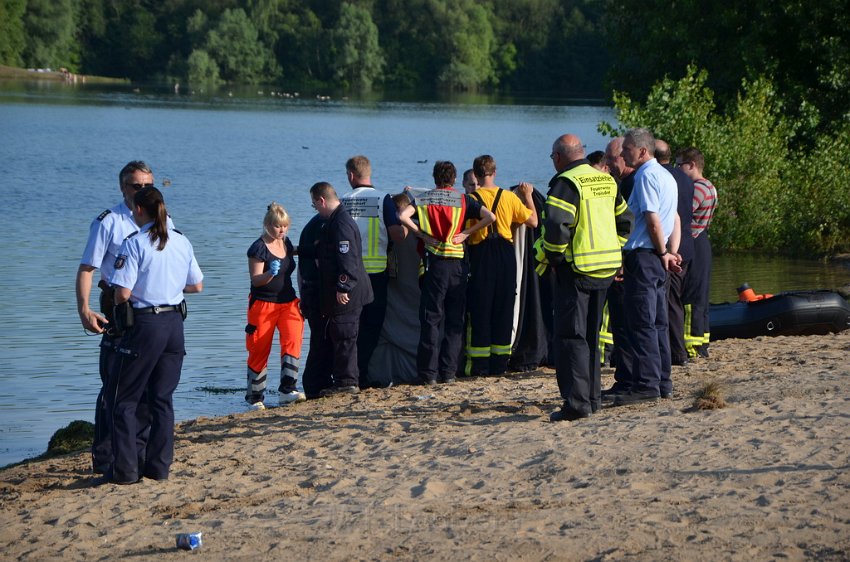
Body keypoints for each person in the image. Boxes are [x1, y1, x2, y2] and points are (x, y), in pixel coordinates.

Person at [107, 186, 203, 483]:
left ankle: (125, 472)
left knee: (122, 399)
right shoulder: (181, 241)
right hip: (174, 324)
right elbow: (197, 285)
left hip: (146, 324)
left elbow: (122, 293)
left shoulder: (134, 243)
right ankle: (159, 468)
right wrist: (169, 286)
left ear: (138, 210)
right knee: (162, 399)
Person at [535, 135, 633, 422]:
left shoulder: (566, 183)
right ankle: (592, 398)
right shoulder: (606, 179)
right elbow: (626, 221)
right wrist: (614, 248)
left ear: (558, 157)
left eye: (553, 157)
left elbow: (555, 228)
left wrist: (553, 259)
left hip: (577, 271)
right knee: (589, 336)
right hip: (605, 269)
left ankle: (577, 404)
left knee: (571, 337)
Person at [76, 160, 159, 475]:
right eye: (135, 186)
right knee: (114, 384)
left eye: (147, 186)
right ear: (123, 187)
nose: (141, 191)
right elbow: (87, 268)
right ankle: (106, 457)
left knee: (148, 385)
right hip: (117, 309)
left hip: (151, 313)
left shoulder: (161, 219)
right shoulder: (108, 222)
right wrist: (84, 309)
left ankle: (137, 453)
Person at [397, 161, 495, 385]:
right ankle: (449, 371)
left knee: (431, 320)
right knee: (455, 320)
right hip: (458, 266)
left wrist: (421, 234)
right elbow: (490, 217)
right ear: (454, 179)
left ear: (434, 178)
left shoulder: (425, 198)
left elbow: (402, 216)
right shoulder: (462, 199)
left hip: (435, 265)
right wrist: (467, 233)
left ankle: (428, 374)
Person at [612, 128, 682, 407]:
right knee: (658, 322)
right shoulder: (667, 176)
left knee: (642, 323)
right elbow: (673, 218)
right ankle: (663, 381)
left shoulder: (645, 176)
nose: (622, 153)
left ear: (642, 151)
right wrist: (667, 251)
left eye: (627, 148)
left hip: (644, 256)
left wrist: (662, 251)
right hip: (655, 256)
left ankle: (646, 385)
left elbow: (653, 220)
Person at [464, 154, 538, 376]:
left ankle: (479, 365)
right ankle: (499, 364)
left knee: (480, 308)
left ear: (475, 175)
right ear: (495, 173)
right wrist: (528, 196)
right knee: (504, 308)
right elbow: (533, 221)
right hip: (505, 255)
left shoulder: (470, 199)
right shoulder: (509, 197)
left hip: (481, 255)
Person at [340, 156, 404, 388]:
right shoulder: (382, 199)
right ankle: (361, 376)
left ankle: (347, 377)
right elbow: (397, 234)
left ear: (350, 176)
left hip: (348, 275)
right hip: (376, 274)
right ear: (369, 173)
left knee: (350, 327)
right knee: (370, 328)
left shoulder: (343, 200)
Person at [311, 182, 374, 396]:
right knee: (342, 335)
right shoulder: (336, 220)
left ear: (321, 200)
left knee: (345, 335)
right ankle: (343, 380)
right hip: (349, 289)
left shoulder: (340, 223)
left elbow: (348, 260)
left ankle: (347, 382)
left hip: (350, 292)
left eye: (315, 205)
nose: (316, 210)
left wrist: (343, 286)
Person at [244, 203, 306, 410]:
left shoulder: (286, 243)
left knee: (292, 342)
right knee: (259, 348)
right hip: (263, 305)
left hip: (288, 303)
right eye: (277, 226)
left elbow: (296, 254)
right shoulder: (258, 248)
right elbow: (256, 280)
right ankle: (255, 397)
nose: (281, 230)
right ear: (267, 225)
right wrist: (270, 273)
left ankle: (287, 390)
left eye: (285, 226)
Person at [676, 147, 718, 359]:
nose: (677, 168)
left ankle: (692, 346)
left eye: (679, 164)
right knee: (701, 294)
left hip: (694, 241)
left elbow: (683, 215)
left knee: (692, 295)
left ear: (691, 165)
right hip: (703, 241)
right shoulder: (710, 186)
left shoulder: (698, 189)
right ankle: (702, 342)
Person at [656, 140, 694, 366]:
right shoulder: (685, 178)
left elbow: (670, 218)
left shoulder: (659, 177)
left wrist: (670, 251)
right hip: (687, 246)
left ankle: (676, 354)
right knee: (675, 301)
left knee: (668, 302)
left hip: (672, 248)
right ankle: (678, 352)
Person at [296, 211, 329, 399]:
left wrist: (302, 295)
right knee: (321, 338)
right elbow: (317, 261)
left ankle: (316, 382)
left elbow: (301, 267)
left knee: (319, 337)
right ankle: (315, 384)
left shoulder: (311, 225)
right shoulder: (323, 225)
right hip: (318, 290)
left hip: (309, 289)